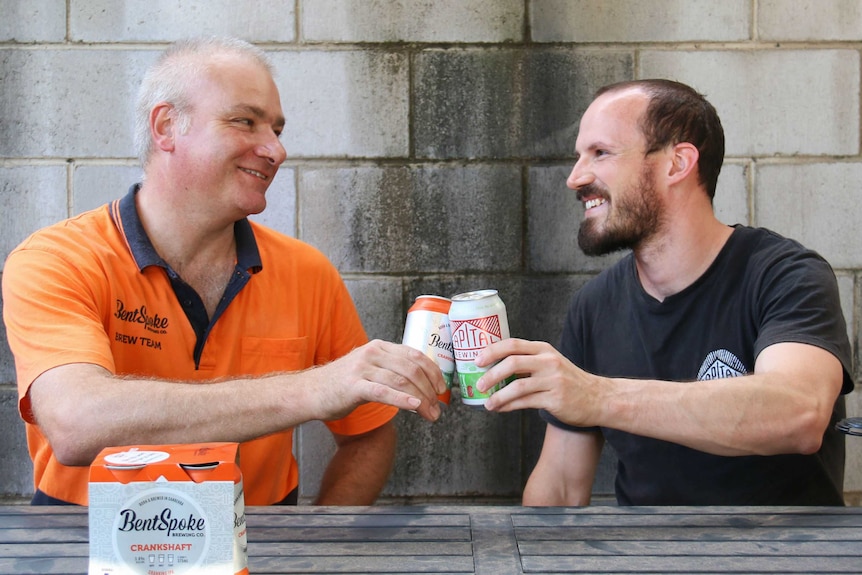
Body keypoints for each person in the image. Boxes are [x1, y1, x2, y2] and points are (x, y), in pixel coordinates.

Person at [1, 36, 445, 507]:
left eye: (276, 129)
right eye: (245, 122)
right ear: (167, 126)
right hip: (84, 542)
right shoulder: (59, 259)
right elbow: (76, 423)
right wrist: (315, 388)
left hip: (259, 542)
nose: (276, 150)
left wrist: (319, 540)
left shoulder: (306, 273)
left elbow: (369, 433)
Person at [475, 79, 855, 506]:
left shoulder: (785, 275)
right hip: (643, 560)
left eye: (600, 153)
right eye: (579, 156)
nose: (575, 177)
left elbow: (798, 414)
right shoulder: (595, 305)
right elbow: (562, 483)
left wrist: (598, 396)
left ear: (677, 163)